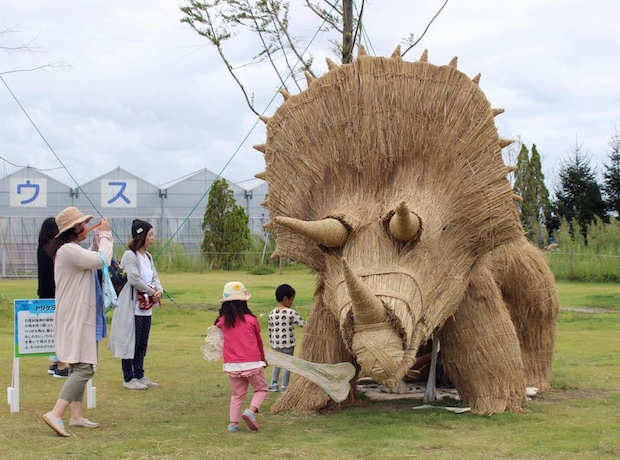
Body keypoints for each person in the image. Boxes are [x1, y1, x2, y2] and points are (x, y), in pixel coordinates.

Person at [42, 207, 113, 437]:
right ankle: (56, 413)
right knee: (84, 368)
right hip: (76, 317)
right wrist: (105, 236)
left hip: (76, 316)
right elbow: (102, 260)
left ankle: (76, 416)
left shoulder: (70, 251)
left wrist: (96, 241)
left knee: (77, 364)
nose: (86, 226)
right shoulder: (69, 251)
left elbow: (92, 259)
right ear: (75, 228)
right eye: (83, 224)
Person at [108, 219, 163, 390]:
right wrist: (151, 292)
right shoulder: (129, 255)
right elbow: (133, 279)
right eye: (150, 234)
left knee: (142, 343)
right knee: (130, 341)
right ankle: (128, 377)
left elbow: (154, 277)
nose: (152, 238)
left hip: (146, 308)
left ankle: (139, 374)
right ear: (141, 236)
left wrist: (158, 291)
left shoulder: (148, 257)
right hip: (132, 307)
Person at [214, 281, 267, 432]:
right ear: (244, 302)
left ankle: (233, 424)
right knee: (261, 389)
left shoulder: (222, 322)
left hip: (232, 365)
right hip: (252, 363)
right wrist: (262, 358)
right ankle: (251, 411)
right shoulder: (251, 320)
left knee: (237, 395)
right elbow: (258, 341)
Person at [37, 217, 69, 379]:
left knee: (54, 330)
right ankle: (61, 366)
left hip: (45, 295)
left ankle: (55, 363)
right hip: (56, 295)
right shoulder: (54, 250)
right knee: (61, 330)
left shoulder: (41, 249)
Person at [267, 284, 305, 392]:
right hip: (288, 344)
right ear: (286, 299)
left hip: (276, 344)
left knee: (277, 364)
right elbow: (302, 324)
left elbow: (270, 329)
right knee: (287, 365)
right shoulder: (291, 313)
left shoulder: (272, 313)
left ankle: (274, 383)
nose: (292, 303)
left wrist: (272, 342)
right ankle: (284, 385)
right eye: (292, 300)